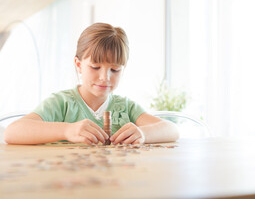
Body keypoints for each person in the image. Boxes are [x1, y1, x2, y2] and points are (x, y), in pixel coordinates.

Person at [4, 23, 179, 145]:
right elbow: (11, 132)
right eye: (95, 67)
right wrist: (66, 131)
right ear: (79, 65)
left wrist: (143, 133)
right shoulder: (61, 103)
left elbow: (172, 130)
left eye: (115, 70)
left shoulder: (125, 107)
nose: (105, 77)